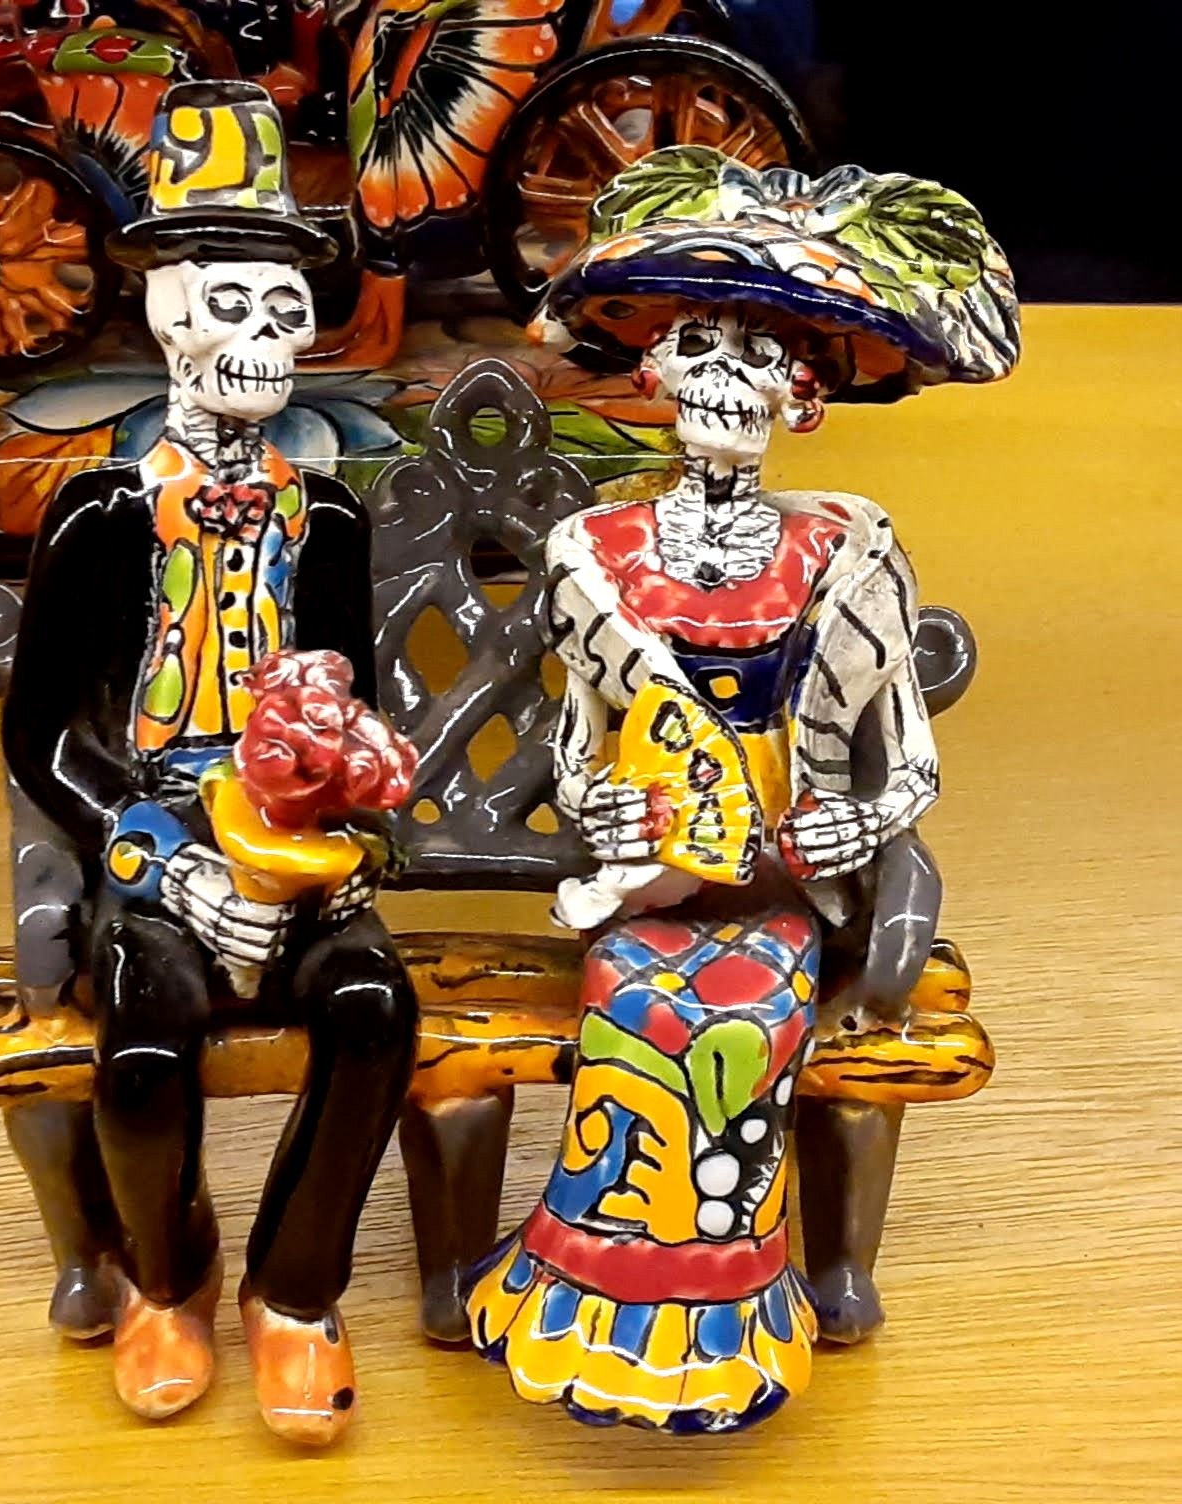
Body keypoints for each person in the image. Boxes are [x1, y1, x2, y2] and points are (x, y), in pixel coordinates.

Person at [466, 145, 1020, 1432]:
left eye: (758, 350)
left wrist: (855, 820)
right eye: (698, 342)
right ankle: (587, 1292)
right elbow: (578, 743)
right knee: (630, 992)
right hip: (650, 872)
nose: (722, 373)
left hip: (777, 870)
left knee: (749, 1013)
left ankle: (728, 1305)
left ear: (801, 394)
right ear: (653, 371)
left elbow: (908, 760)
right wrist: (596, 805)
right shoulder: (592, 550)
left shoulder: (843, 548)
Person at [2, 80, 415, 1447]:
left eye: (284, 308)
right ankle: (163, 1271)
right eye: (228, 304)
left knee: (372, 1012)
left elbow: (356, 707)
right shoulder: (98, 517)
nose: (263, 338)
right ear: (165, 312)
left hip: (294, 843)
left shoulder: (331, 519)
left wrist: (344, 837)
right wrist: (168, 866)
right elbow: (42, 736)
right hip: (158, 839)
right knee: (137, 1048)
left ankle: (294, 1289)